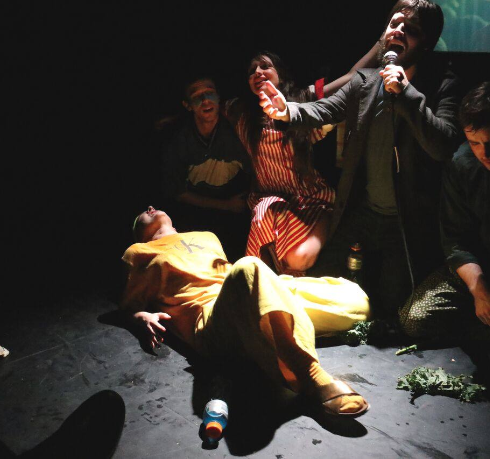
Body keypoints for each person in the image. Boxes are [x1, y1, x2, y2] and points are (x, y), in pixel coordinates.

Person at [259, 0, 462, 318]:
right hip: (364, 212)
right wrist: (287, 111)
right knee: (321, 282)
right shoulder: (366, 81)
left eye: (411, 29)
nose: (398, 31)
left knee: (391, 310)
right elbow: (324, 109)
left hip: (405, 223)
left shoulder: (442, 85)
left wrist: (406, 93)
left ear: (427, 43)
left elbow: (443, 145)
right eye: (394, 23)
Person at [121, 206, 371, 417]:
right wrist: (141, 316)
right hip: (213, 319)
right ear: (138, 234)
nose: (150, 207)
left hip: (247, 296)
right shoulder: (139, 252)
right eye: (141, 214)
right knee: (248, 266)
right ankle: (311, 375)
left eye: (152, 206)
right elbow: (127, 306)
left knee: (357, 303)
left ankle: (272, 332)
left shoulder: (206, 236)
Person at [226, 47, 379, 276]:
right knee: (264, 214)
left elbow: (350, 79)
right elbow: (208, 106)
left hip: (310, 200)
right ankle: (261, 284)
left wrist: (381, 44)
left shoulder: (303, 101)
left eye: (265, 66)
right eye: (252, 71)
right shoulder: (244, 116)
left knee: (298, 260)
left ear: (280, 74)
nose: (257, 72)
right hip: (269, 201)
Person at [399, 81, 490, 341]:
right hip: (482, 271)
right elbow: (456, 239)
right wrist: (478, 289)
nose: (485, 153)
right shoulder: (462, 163)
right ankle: (488, 326)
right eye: (474, 142)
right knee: (414, 318)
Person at [161, 77, 252, 262]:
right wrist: (226, 205)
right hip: (196, 212)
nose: (205, 100)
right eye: (197, 96)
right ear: (188, 105)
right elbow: (178, 193)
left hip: (235, 209)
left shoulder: (236, 130)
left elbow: (254, 172)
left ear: (218, 97)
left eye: (209, 93)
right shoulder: (180, 140)